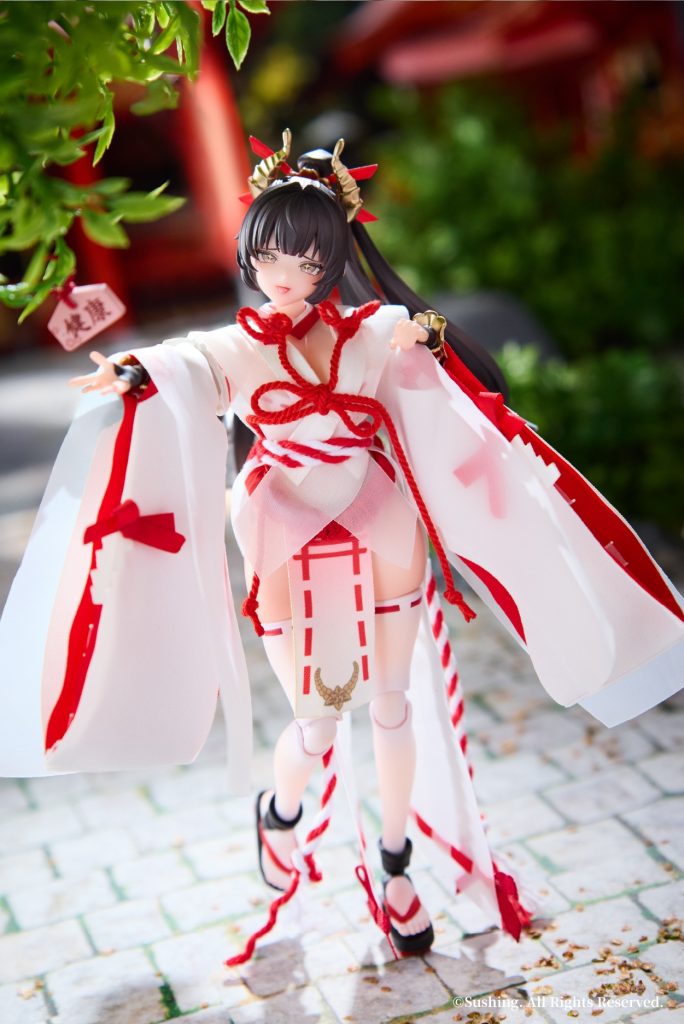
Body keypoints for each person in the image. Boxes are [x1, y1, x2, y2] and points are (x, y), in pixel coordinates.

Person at [1, 131, 682, 964]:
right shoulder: (243, 344)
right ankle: (282, 812)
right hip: (283, 522)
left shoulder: (367, 331)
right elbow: (187, 363)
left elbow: (414, 339)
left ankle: (395, 865)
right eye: (267, 258)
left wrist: (426, 342)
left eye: (303, 261)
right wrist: (137, 372)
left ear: (332, 261)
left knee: (392, 704)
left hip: (376, 514)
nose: (282, 276)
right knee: (319, 718)